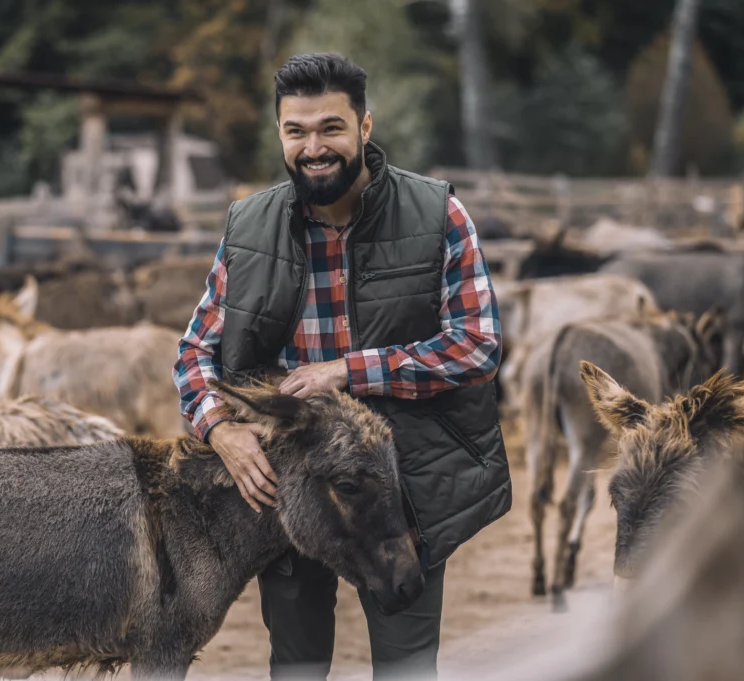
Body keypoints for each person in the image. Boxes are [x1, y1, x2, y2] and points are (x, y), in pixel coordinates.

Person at [172, 52, 511, 681]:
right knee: (296, 667)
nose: (313, 147)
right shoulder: (249, 227)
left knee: (406, 667)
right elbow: (194, 354)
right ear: (279, 134)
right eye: (295, 131)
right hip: (295, 486)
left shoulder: (437, 214)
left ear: (365, 127)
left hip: (402, 485)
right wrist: (219, 429)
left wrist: (352, 371)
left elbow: (478, 345)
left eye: (331, 128)